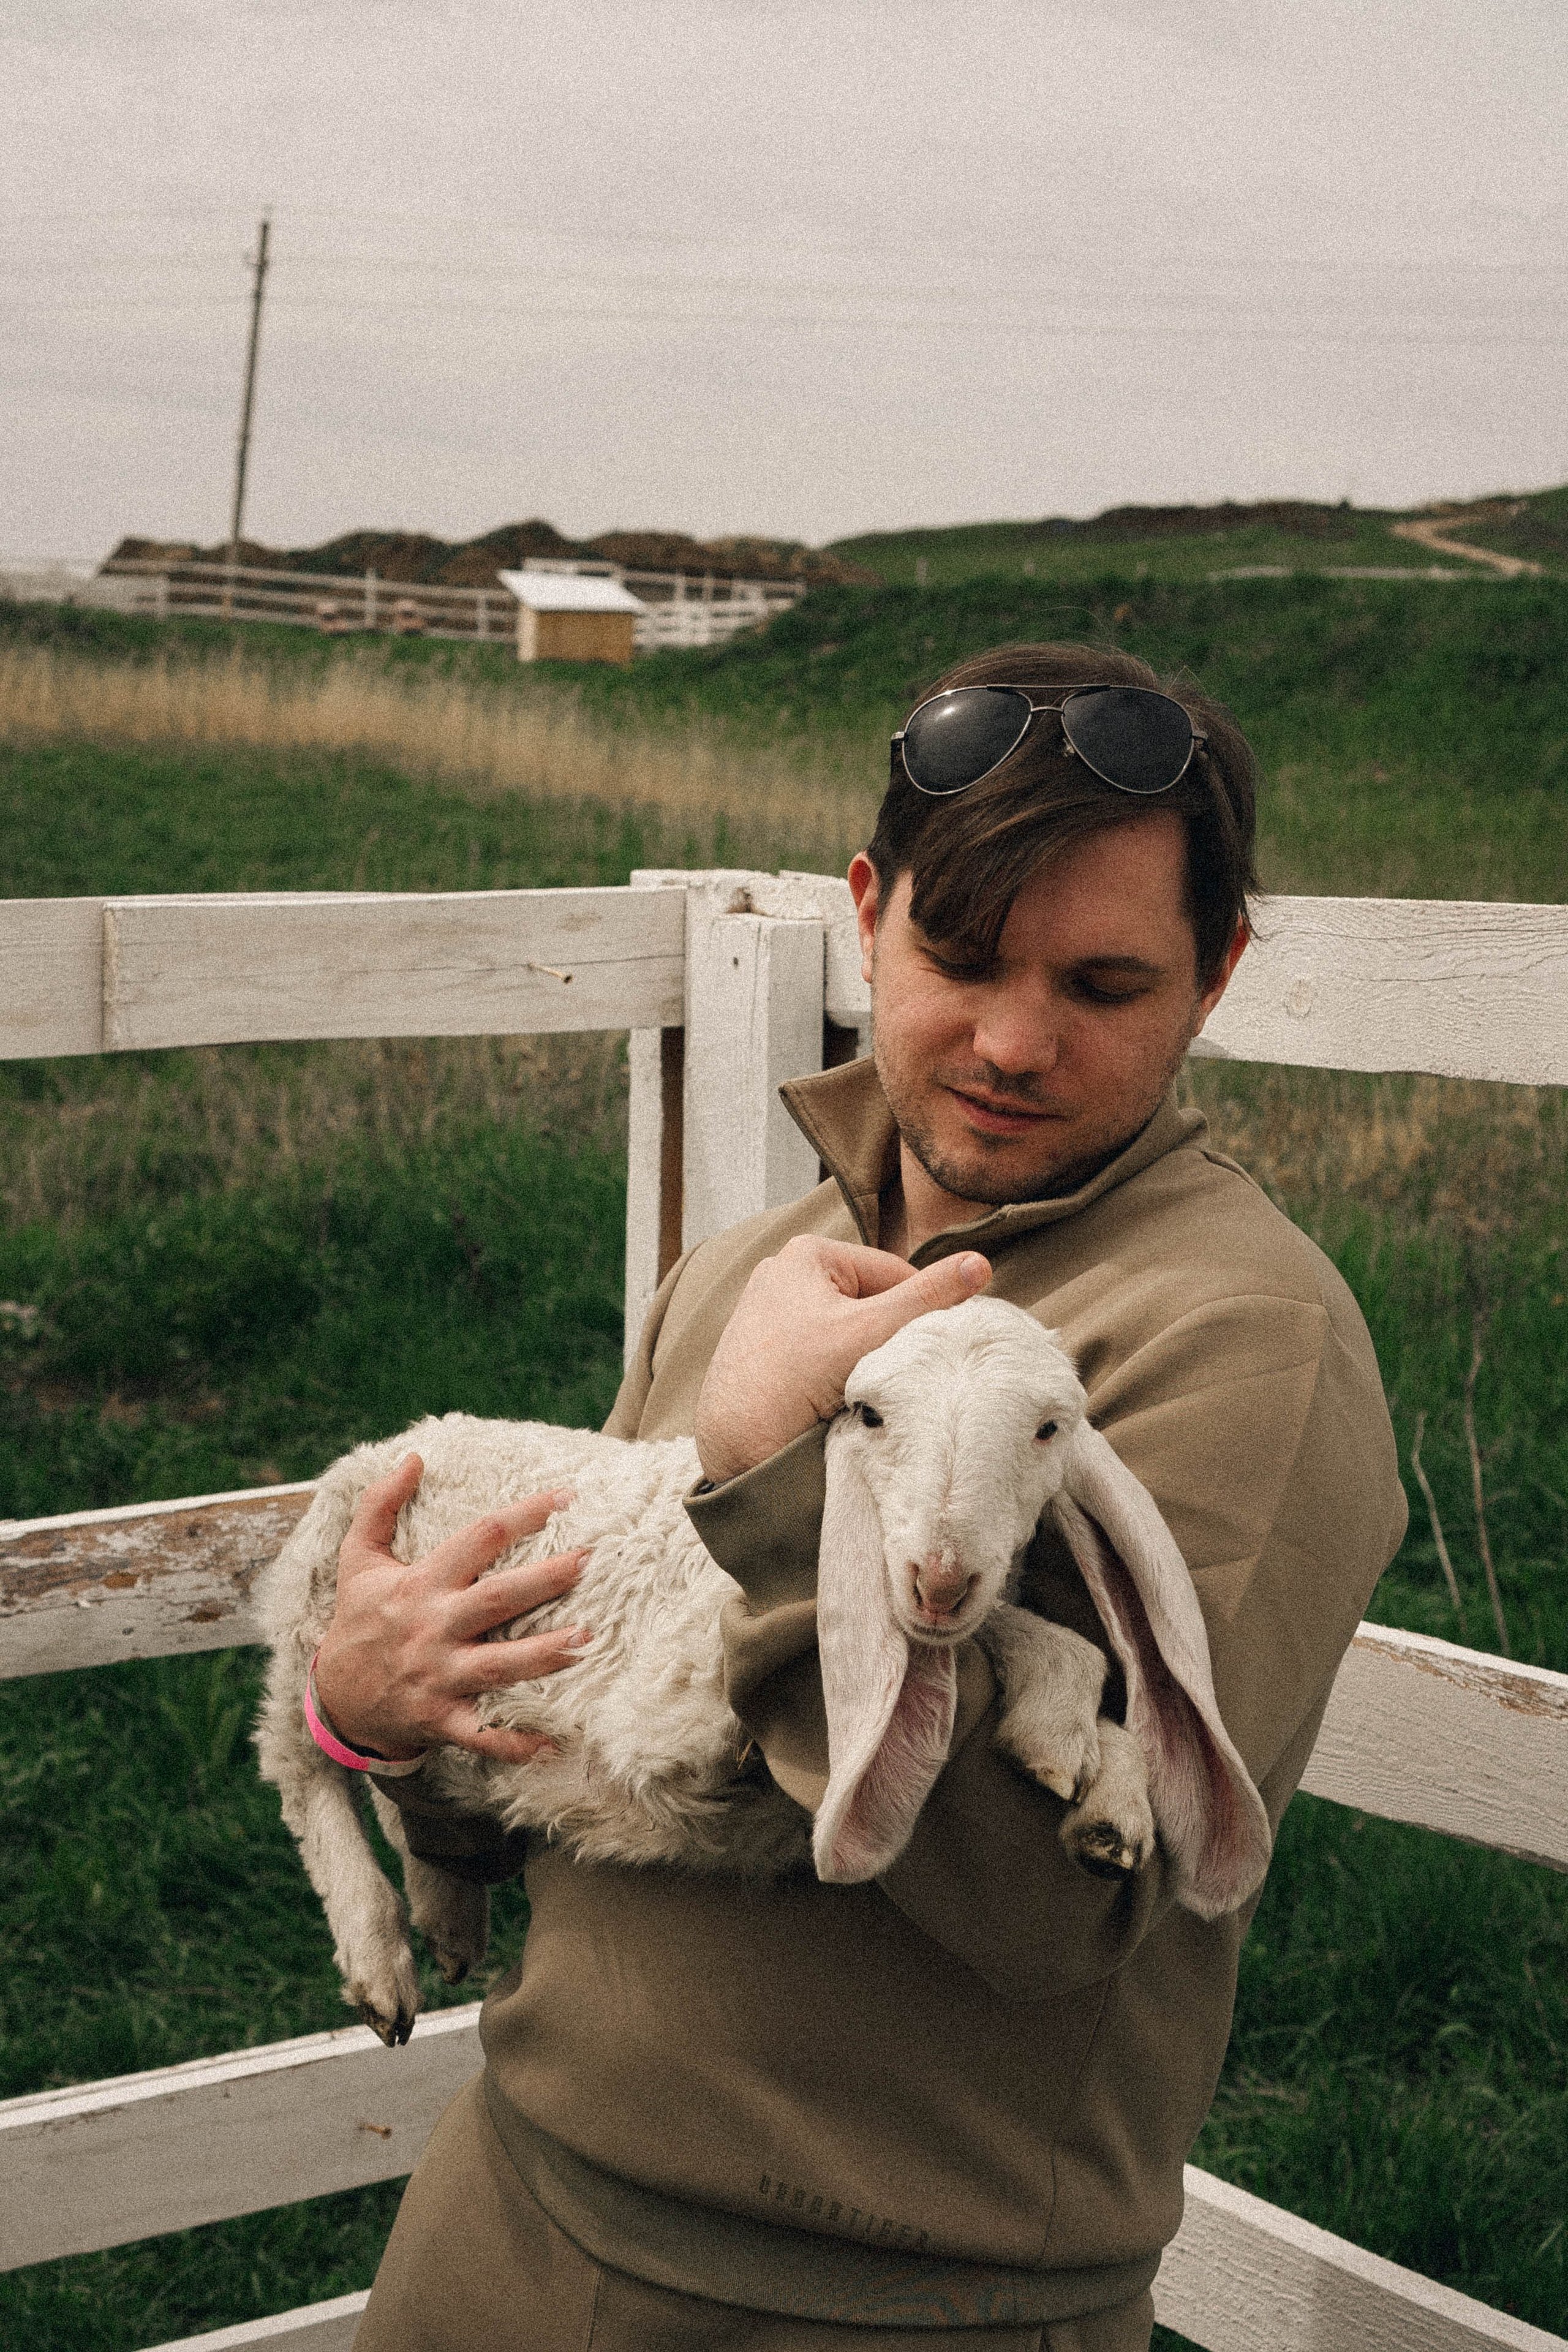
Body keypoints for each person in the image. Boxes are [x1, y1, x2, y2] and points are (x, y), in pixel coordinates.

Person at [316, 641, 1408, 2352]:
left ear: (1218, 978)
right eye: (957, 955)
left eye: (1107, 986)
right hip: (508, 2213)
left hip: (880, 2306)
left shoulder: (1240, 1342)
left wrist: (764, 1478)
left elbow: (1061, 1905)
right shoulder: (759, 1271)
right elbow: (582, 1737)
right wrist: (384, 1719)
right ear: (865, 912)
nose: (1012, 1040)